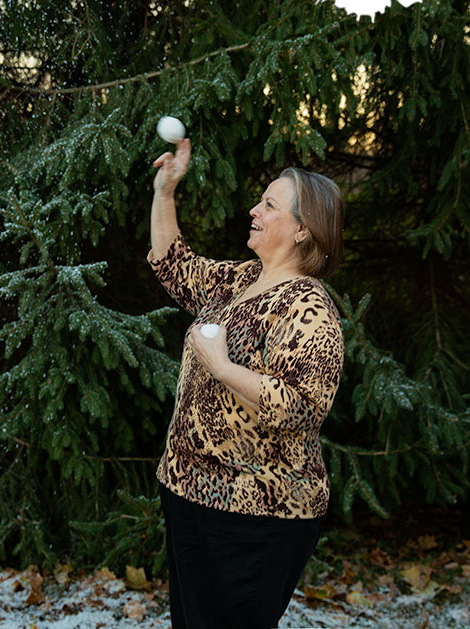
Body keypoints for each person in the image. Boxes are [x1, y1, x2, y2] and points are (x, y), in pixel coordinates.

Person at [148, 138, 344, 629]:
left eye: (270, 204)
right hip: (192, 494)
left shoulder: (310, 310)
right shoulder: (244, 280)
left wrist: (222, 367)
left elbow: (300, 408)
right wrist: (166, 192)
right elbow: (175, 265)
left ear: (303, 229)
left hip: (254, 516)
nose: (254, 209)